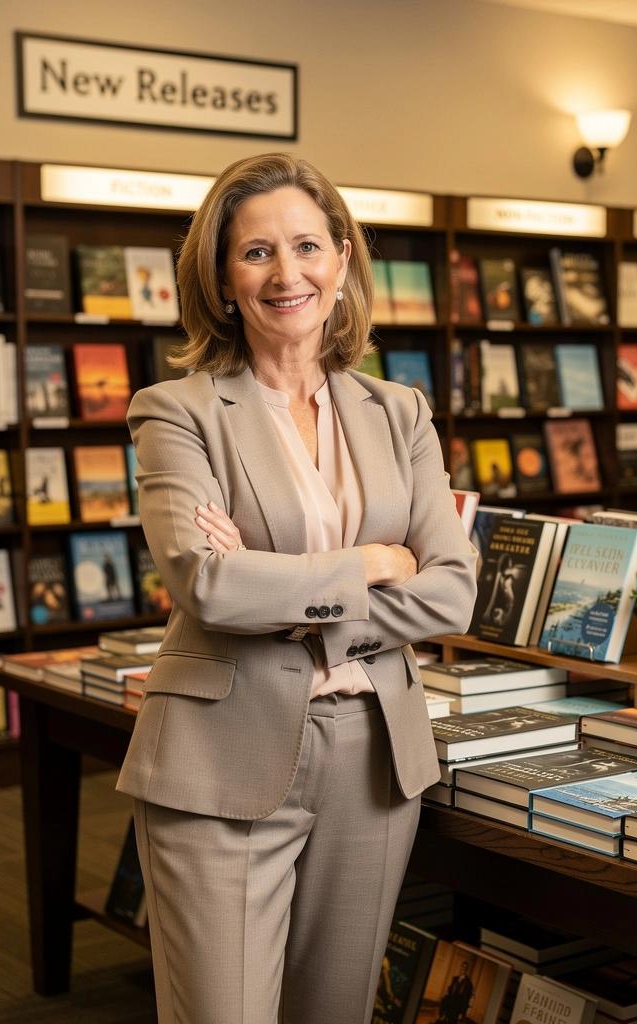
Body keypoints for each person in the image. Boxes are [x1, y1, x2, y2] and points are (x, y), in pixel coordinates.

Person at [115, 153, 478, 1024]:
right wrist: (371, 562)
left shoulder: (401, 413)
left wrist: (280, 593)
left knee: (336, 1012)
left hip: (373, 758)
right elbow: (210, 586)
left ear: (344, 261)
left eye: (308, 246)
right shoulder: (178, 412)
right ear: (221, 277)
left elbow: (453, 593)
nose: (288, 274)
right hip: (220, 754)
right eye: (256, 253)